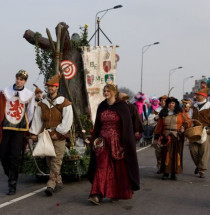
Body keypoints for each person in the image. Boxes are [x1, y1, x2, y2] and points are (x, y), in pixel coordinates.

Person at [87, 83, 140, 205]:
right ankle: (96, 194)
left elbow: (127, 127)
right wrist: (94, 139)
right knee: (101, 167)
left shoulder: (122, 106)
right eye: (104, 91)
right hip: (103, 142)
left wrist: (126, 142)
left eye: (108, 91)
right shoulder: (102, 106)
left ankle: (115, 192)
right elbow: (97, 125)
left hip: (118, 142)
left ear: (114, 92)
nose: (106, 93)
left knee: (116, 169)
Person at [29, 74, 73, 196]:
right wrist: (34, 133)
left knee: (56, 160)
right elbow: (38, 119)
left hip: (59, 136)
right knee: (49, 160)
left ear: (57, 87)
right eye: (49, 86)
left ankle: (51, 184)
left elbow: (68, 120)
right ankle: (58, 181)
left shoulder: (65, 103)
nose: (51, 88)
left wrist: (58, 133)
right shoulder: (42, 103)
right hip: (46, 135)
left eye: (53, 86)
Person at [0, 70, 35, 195]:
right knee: (3, 153)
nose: (19, 81)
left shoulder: (29, 94)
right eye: (18, 78)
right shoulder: (5, 91)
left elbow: (30, 113)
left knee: (15, 156)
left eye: (22, 79)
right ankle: (9, 173)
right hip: (6, 127)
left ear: (25, 81)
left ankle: (12, 184)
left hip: (19, 129)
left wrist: (26, 125)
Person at [154, 97, 191, 180]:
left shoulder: (181, 113)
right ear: (167, 104)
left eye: (173, 103)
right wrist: (156, 138)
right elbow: (159, 126)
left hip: (177, 137)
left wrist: (183, 127)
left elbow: (188, 122)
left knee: (176, 155)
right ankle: (166, 173)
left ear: (176, 104)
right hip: (165, 137)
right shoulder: (163, 113)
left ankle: (174, 173)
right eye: (170, 103)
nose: (171, 104)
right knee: (166, 154)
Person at [188, 88, 210, 178]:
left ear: (203, 96)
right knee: (193, 150)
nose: (196, 96)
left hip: (206, 130)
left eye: (198, 95)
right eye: (196, 95)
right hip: (194, 130)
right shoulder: (194, 106)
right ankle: (198, 165)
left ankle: (202, 170)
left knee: (204, 151)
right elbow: (189, 118)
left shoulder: (209, 105)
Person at [148, 94, 167, 174]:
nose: (163, 102)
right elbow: (150, 121)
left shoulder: (172, 111)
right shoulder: (156, 110)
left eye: (164, 101)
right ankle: (159, 166)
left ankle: (167, 168)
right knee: (158, 151)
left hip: (168, 134)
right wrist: (157, 119)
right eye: (161, 101)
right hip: (158, 134)